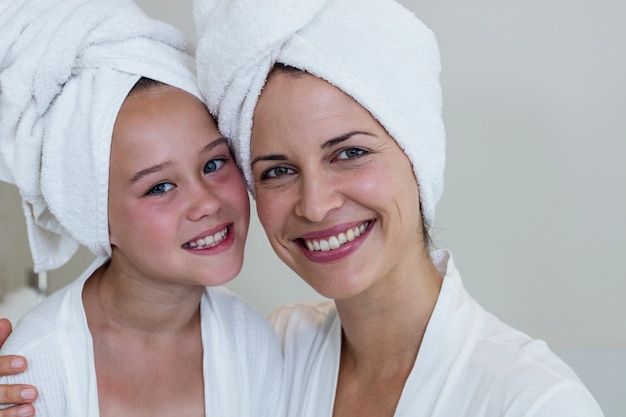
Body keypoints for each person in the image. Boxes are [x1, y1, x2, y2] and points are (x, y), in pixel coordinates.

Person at [191, 0, 605, 415]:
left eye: (349, 153)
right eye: (278, 171)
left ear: (418, 155)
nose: (315, 206)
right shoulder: (277, 351)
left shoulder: (534, 401)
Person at [0, 0, 282, 416]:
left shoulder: (253, 344)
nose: (206, 202)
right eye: (160, 187)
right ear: (96, 216)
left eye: (214, 163)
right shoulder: (33, 368)